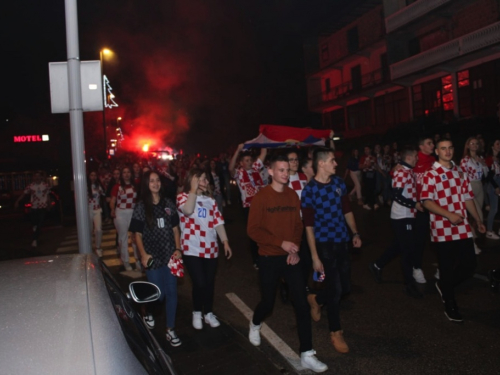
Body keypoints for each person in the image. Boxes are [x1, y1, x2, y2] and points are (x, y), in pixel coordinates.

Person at [247, 154, 328, 373]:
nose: (285, 173)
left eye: (287, 169)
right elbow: (252, 230)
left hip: (290, 256)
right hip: (268, 257)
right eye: (280, 170)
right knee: (267, 302)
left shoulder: (293, 196)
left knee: (301, 303)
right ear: (271, 171)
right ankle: (255, 323)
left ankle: (307, 353)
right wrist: (279, 243)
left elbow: (298, 226)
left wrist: (294, 248)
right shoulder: (262, 197)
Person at [302, 148, 362, 353]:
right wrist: (314, 257)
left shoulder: (338, 184)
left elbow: (347, 210)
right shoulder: (309, 191)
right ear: (321, 164)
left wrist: (354, 233)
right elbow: (308, 227)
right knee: (335, 290)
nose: (336, 164)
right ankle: (336, 332)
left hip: (342, 241)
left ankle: (316, 300)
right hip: (323, 244)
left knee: (345, 288)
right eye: (331, 161)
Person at [420, 138, 486, 322]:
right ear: (437, 152)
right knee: (447, 268)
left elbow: (467, 197)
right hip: (442, 230)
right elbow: (426, 201)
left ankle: (444, 285)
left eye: (450, 148)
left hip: (463, 228)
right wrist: (448, 215)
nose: (447, 152)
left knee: (469, 265)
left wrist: (478, 220)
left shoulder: (459, 171)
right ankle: (450, 304)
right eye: (443, 149)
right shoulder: (430, 174)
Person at [129, 171, 183, 347]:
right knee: (158, 295)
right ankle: (147, 310)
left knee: (172, 293)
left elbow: (176, 229)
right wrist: (143, 254)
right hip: (152, 257)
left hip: (169, 256)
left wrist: (178, 249)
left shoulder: (168, 204)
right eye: (151, 181)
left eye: (157, 180)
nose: (155, 183)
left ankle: (170, 329)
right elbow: (136, 234)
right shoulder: (141, 207)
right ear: (146, 184)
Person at [177, 168, 232, 330]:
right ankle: (196, 312)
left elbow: (218, 222)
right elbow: (187, 211)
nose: (205, 182)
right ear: (192, 181)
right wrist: (193, 190)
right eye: (200, 179)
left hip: (210, 248)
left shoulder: (210, 200)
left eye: (205, 179)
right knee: (199, 282)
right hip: (191, 247)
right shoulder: (183, 197)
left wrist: (225, 241)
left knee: (209, 283)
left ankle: (208, 312)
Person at [368, 146, 424, 298]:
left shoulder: (408, 171)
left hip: (408, 215)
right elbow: (397, 195)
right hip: (402, 216)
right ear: (409, 157)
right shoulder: (401, 172)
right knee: (408, 250)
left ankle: (377, 265)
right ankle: (409, 284)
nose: (417, 159)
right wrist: (415, 205)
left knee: (400, 245)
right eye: (415, 157)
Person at [229, 144, 267, 268]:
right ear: (241, 163)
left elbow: (263, 153)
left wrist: (264, 140)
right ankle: (256, 259)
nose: (250, 162)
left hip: (262, 205)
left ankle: (266, 255)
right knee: (254, 234)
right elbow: (230, 168)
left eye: (250, 160)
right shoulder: (239, 173)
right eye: (246, 160)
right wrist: (238, 150)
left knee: (265, 230)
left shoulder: (256, 169)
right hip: (248, 207)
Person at [412, 136, 435, 283]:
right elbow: (397, 172)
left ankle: (443, 268)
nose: (432, 145)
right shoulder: (415, 159)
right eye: (429, 143)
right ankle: (416, 268)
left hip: (435, 206)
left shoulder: (434, 161)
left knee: (438, 238)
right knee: (419, 239)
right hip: (419, 207)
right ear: (421, 147)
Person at [460, 137, 489, 254]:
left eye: (476, 144)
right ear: (467, 145)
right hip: (470, 185)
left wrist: (484, 165)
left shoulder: (480, 158)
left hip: (479, 186)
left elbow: (485, 174)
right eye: (471, 143)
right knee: (479, 215)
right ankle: (471, 242)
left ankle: (470, 239)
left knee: (474, 217)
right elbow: (462, 174)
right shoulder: (465, 160)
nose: (474, 145)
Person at [110, 166, 141, 272]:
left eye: (128, 172)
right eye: (124, 172)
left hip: (133, 212)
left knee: (135, 238)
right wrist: (112, 209)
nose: (126, 174)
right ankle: (126, 261)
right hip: (121, 213)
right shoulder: (117, 186)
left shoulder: (135, 185)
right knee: (123, 238)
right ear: (121, 175)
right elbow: (113, 200)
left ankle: (138, 260)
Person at [15, 171, 51, 248]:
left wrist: (49, 204)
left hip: (43, 207)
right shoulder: (30, 186)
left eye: (38, 176)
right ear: (33, 178)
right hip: (34, 207)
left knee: (40, 223)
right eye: (35, 176)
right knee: (35, 223)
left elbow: (48, 195)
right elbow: (24, 194)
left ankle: (34, 239)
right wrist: (17, 201)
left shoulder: (45, 185)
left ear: (41, 177)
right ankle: (35, 228)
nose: (37, 178)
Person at [485, 138, 500, 239]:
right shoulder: (489, 158)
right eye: (497, 144)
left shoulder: (498, 159)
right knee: (493, 209)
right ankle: (489, 231)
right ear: (492, 146)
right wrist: (496, 187)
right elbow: (488, 176)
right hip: (493, 184)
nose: (499, 146)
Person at [87, 171, 104, 257]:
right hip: (89, 210)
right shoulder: (85, 186)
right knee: (89, 230)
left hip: (97, 209)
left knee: (98, 229)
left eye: (94, 175)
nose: (93, 177)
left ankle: (98, 247)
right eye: (91, 175)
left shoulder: (98, 186)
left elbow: (104, 194)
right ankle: (89, 247)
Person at [359, 145, 378, 210]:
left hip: (373, 173)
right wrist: (366, 165)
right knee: (368, 188)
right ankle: (368, 203)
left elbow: (376, 166)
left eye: (367, 149)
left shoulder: (373, 157)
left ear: (370, 150)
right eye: (365, 149)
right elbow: (360, 166)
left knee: (372, 188)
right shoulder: (363, 157)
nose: (366, 151)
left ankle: (371, 203)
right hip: (366, 174)